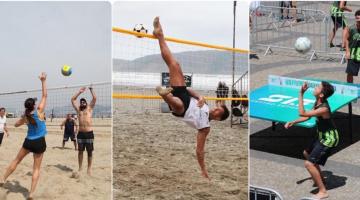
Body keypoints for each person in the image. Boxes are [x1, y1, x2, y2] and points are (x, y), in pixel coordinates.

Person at [153, 17, 230, 179]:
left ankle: (165, 95)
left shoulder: (205, 127)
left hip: (182, 109)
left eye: (218, 110)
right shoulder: (206, 105)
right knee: (175, 65)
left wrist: (203, 170)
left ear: (218, 117)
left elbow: (199, 150)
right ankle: (160, 35)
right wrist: (200, 96)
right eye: (218, 107)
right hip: (184, 93)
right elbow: (189, 89)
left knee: (178, 104)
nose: (216, 108)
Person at [285, 81, 338, 200]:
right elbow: (307, 116)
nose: (316, 88)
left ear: (321, 95)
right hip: (322, 136)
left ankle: (323, 191)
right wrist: (294, 121)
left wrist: (301, 93)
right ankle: (320, 180)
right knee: (307, 153)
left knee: (309, 163)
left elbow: (302, 112)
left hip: (329, 139)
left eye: (318, 87)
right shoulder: (318, 102)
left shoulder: (324, 108)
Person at [0, 72, 48, 199]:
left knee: (16, 160)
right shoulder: (39, 111)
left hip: (28, 142)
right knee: (36, 169)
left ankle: (3, 178)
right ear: (34, 105)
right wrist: (43, 81)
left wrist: (20, 121)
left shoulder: (26, 116)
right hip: (39, 142)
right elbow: (44, 95)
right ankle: (31, 194)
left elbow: (16, 125)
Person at [71, 86, 96, 176]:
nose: (82, 102)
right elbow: (73, 99)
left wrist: (91, 89)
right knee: (80, 151)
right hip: (81, 133)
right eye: (81, 102)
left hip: (89, 133)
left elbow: (94, 98)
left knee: (89, 152)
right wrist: (79, 92)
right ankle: (80, 167)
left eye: (83, 101)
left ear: (86, 103)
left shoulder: (89, 108)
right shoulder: (78, 110)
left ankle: (89, 168)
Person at [344, 9, 360, 83]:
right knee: (350, 74)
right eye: (357, 16)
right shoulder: (351, 28)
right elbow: (346, 39)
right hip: (353, 55)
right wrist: (347, 51)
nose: (358, 17)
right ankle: (349, 88)